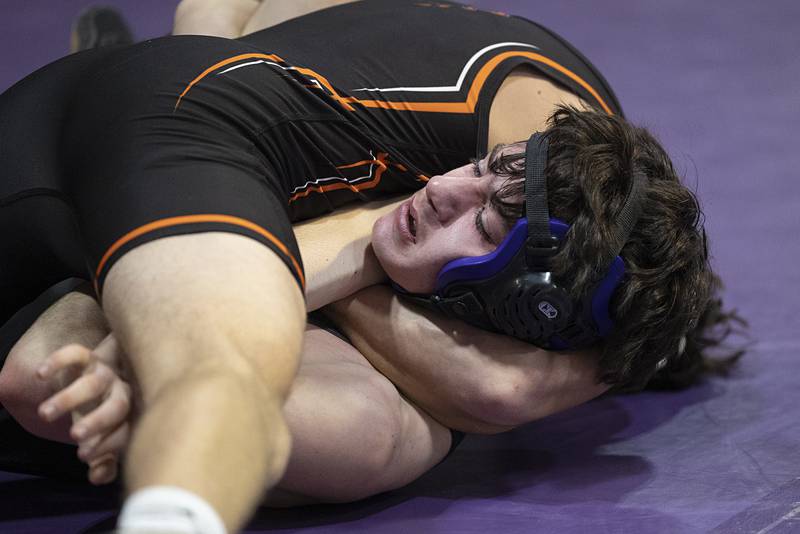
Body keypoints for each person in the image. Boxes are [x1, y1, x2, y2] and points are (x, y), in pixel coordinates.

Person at [0, 1, 741, 532]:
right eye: (481, 171)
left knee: (371, 429)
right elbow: (490, 383)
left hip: (138, 146)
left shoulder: (531, 180)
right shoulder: (438, 164)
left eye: (480, 218)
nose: (442, 186)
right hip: (148, 140)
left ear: (520, 312)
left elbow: (499, 383)